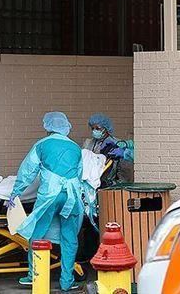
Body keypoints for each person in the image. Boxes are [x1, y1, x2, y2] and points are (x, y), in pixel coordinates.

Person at [8, 112, 84, 292]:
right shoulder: (75, 148)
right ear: (66, 126)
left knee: (38, 234)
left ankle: (33, 276)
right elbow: (79, 174)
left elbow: (27, 171)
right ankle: (67, 281)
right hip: (71, 195)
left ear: (47, 126)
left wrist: (15, 192)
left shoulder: (42, 145)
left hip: (50, 195)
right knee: (69, 238)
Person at [83, 113, 134, 187]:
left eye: (98, 128)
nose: (94, 131)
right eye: (92, 128)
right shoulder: (88, 143)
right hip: (89, 181)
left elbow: (124, 171)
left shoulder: (117, 144)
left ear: (106, 129)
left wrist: (118, 185)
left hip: (107, 182)